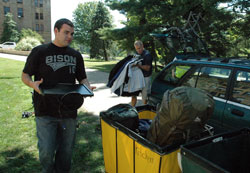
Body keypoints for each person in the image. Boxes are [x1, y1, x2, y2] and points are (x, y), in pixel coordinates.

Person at [21, 18, 95, 173]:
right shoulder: (40, 51)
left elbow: (82, 77)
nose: (70, 36)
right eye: (66, 32)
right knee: (46, 152)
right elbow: (25, 75)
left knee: (66, 152)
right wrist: (32, 84)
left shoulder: (75, 55)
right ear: (56, 31)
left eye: (72, 34)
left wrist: (86, 87)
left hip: (69, 111)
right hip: (45, 110)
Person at [131, 40, 153, 106]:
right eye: (136, 49)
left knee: (144, 97)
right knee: (133, 95)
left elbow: (147, 68)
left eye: (139, 48)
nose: (138, 50)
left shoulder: (147, 55)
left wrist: (137, 65)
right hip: (137, 77)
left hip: (146, 78)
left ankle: (145, 111)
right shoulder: (136, 54)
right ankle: (132, 110)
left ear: (142, 46)